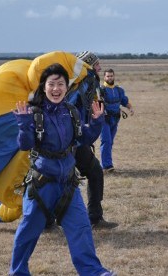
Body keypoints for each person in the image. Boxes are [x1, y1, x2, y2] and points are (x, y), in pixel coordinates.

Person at [9, 63, 116, 276]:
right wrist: (23, 124)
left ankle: (94, 272)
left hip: (67, 183)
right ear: (44, 87)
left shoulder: (71, 111)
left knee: (81, 229)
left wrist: (96, 122)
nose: (56, 89)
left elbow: (83, 137)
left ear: (66, 87)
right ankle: (18, 272)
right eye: (52, 84)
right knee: (28, 231)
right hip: (42, 185)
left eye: (61, 84)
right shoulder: (34, 113)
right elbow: (25, 144)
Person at [66, 51, 118, 229]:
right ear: (88, 65)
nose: (100, 68)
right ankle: (94, 218)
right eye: (96, 65)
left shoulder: (72, 82)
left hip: (70, 138)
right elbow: (73, 107)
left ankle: (49, 221)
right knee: (94, 173)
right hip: (74, 141)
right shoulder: (87, 80)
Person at [100, 68, 134, 173]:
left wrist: (130, 108)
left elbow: (124, 101)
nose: (110, 78)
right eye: (108, 76)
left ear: (114, 76)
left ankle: (107, 164)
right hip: (104, 119)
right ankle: (107, 166)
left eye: (111, 76)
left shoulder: (119, 90)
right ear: (104, 77)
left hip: (115, 119)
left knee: (110, 142)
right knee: (106, 141)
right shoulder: (100, 90)